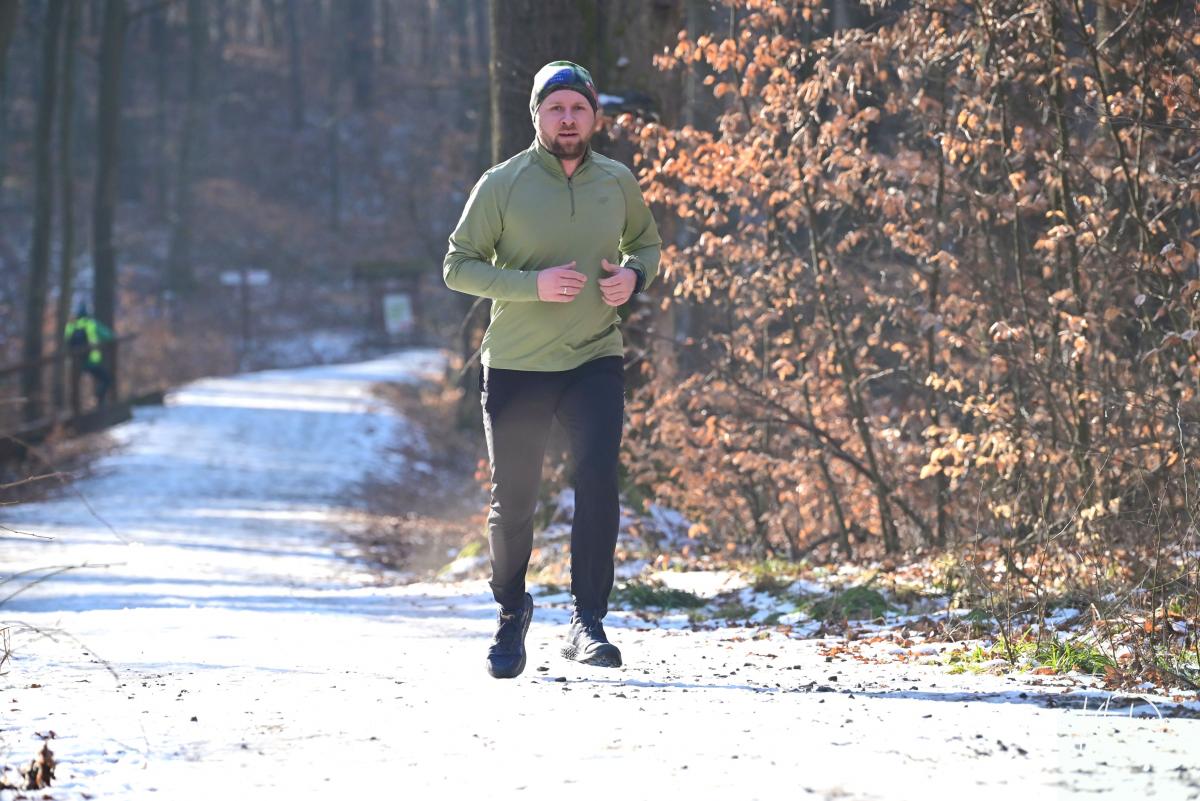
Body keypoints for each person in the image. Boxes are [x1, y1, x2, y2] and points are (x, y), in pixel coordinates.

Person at [443, 61, 661, 679]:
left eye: (578, 108)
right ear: (537, 115)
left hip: (595, 355)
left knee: (597, 479)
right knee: (514, 500)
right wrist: (531, 284)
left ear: (595, 117)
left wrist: (633, 277)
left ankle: (587, 621)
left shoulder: (617, 181)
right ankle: (511, 612)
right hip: (518, 363)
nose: (568, 119)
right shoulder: (502, 183)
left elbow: (646, 245)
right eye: (555, 108)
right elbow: (457, 266)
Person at [63, 303, 114, 405]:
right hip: (91, 361)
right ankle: (98, 400)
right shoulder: (91, 324)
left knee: (75, 387)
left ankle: (75, 407)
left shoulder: (70, 326)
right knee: (107, 379)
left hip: (76, 362)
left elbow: (66, 342)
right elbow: (109, 336)